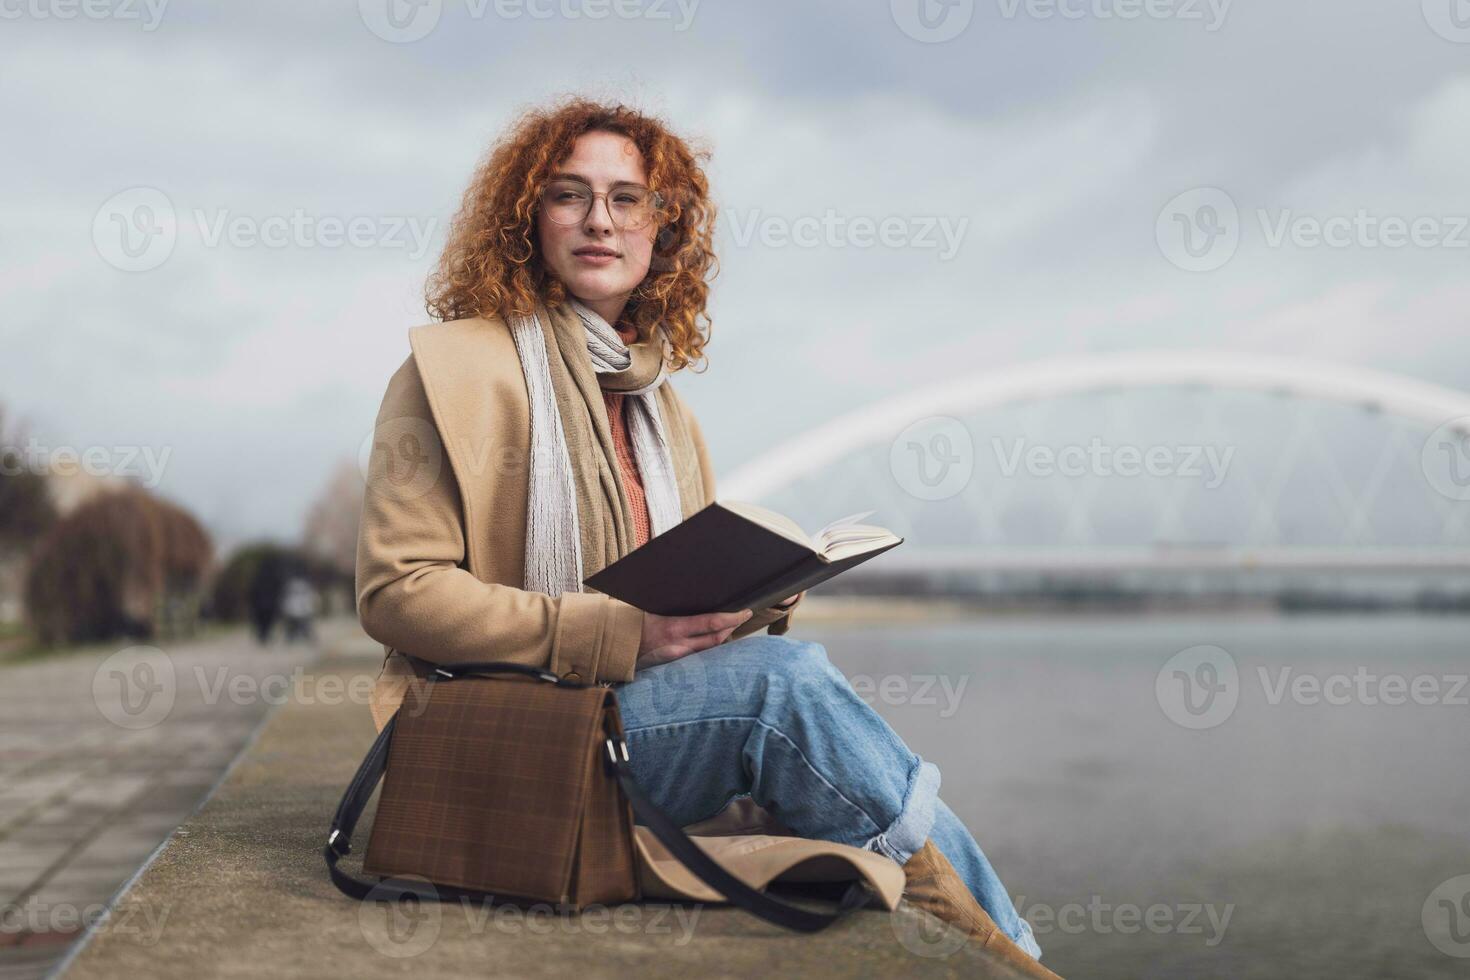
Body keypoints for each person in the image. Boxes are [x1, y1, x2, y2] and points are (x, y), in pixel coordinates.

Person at [355, 96, 1046, 972]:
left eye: (627, 198)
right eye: (568, 195)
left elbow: (680, 620)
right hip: (513, 738)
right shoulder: (447, 373)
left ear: (662, 229)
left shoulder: (661, 407)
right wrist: (612, 633)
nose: (599, 219)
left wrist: (763, 592)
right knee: (785, 688)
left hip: (628, 725)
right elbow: (395, 593)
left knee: (786, 677)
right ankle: (1007, 949)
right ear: (528, 220)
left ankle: (1002, 941)